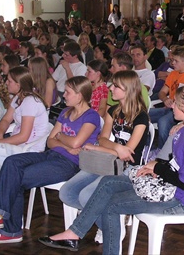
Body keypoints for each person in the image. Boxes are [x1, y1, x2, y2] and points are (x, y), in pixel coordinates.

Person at [38, 85, 184, 254]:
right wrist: (156, 168)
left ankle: (78, 236)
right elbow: (176, 164)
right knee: (108, 182)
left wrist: (158, 168)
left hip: (177, 199)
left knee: (110, 205)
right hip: (166, 185)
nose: (171, 105)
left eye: (175, 103)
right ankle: (74, 233)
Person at [0, 76, 101, 244]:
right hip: (51, 155)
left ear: (79, 95)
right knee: (12, 162)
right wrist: (65, 143)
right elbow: (50, 140)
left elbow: (76, 142)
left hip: (69, 164)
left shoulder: (91, 116)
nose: (64, 95)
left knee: (16, 178)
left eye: (68, 92)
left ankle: (9, 229)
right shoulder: (66, 112)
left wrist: (61, 137)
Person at [59, 70, 149, 243]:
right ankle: (109, 221)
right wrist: (114, 148)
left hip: (128, 169)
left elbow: (128, 154)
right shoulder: (113, 110)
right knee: (67, 192)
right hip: (107, 161)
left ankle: (108, 226)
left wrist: (105, 148)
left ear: (128, 89)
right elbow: (102, 139)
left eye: (116, 86)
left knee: (86, 195)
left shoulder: (141, 117)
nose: (111, 89)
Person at [0, 67, 50, 221]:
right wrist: (0, 134)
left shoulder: (30, 102)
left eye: (9, 81)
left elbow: (23, 136)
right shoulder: (17, 98)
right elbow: (5, 120)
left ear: (19, 84)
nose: (6, 83)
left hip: (26, 152)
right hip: (12, 148)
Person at [149, 46, 184, 149]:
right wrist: (165, 99)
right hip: (169, 107)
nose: (172, 63)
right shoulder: (173, 74)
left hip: (182, 111)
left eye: (176, 61)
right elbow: (162, 92)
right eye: (172, 60)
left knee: (163, 122)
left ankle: (163, 152)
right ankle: (146, 145)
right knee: (142, 115)